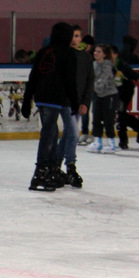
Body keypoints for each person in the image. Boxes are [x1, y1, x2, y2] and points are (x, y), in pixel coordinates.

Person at [21, 22, 78, 191]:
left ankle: (51, 168)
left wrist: (27, 99)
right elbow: (70, 80)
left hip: (41, 97)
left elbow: (33, 77)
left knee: (51, 132)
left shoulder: (43, 51)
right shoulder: (68, 53)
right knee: (48, 133)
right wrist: (75, 101)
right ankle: (41, 170)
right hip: (54, 97)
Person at [55, 25, 93, 188]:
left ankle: (56, 165)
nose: (74, 39)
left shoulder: (85, 57)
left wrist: (85, 102)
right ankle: (71, 166)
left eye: (77, 36)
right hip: (65, 102)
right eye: (71, 36)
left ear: (81, 38)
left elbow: (90, 81)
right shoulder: (62, 55)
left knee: (68, 135)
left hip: (78, 103)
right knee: (73, 133)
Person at [109, 44, 139, 149]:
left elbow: (132, 73)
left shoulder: (121, 65)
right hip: (116, 92)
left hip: (126, 91)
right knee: (120, 114)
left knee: (121, 114)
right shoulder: (105, 64)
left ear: (116, 55)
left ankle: (124, 140)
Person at [86, 44, 119, 154]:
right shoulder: (93, 64)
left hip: (109, 96)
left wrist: (91, 87)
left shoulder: (107, 65)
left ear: (104, 54)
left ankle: (111, 143)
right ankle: (97, 141)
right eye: (95, 51)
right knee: (96, 118)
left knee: (108, 119)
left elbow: (103, 80)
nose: (95, 53)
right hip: (97, 95)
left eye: (99, 51)